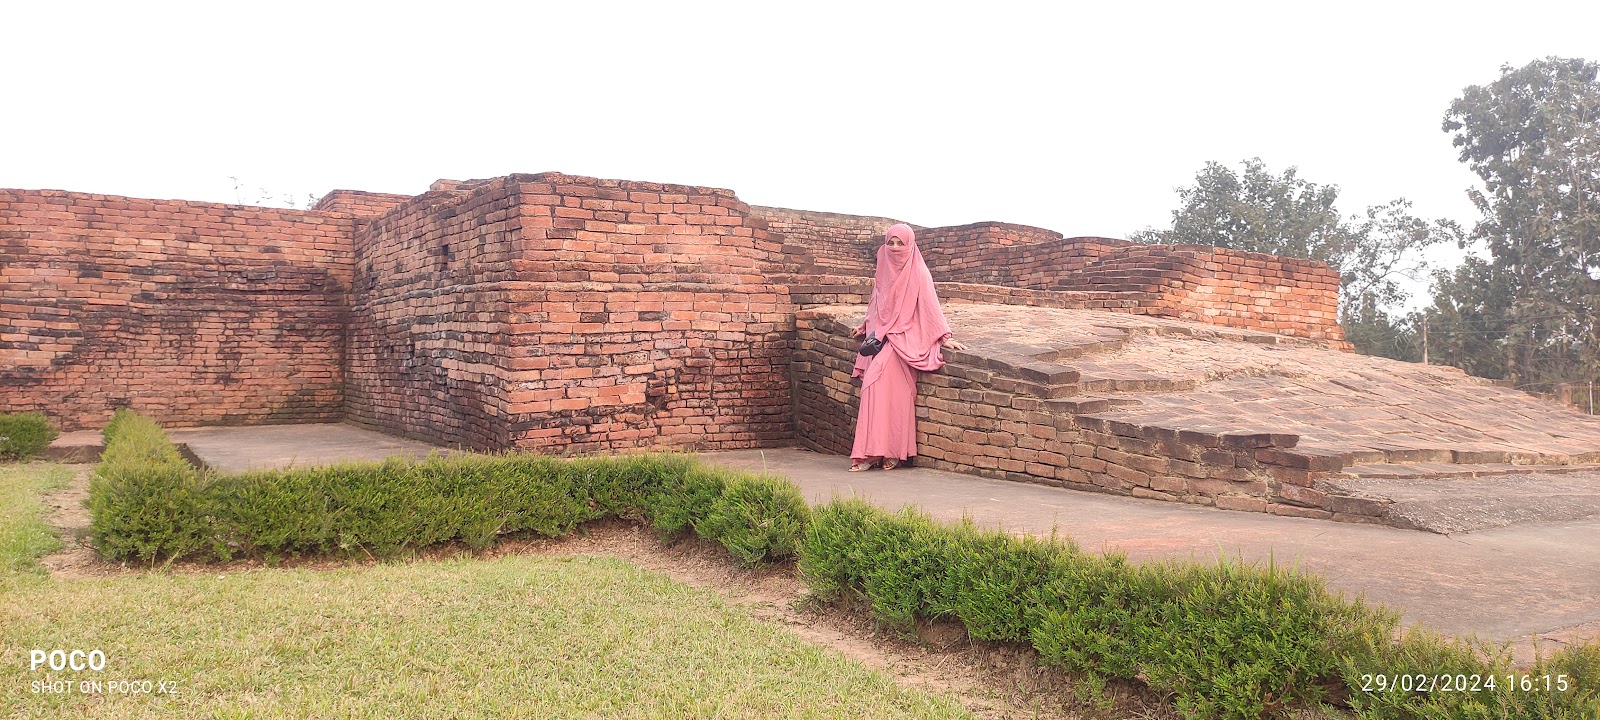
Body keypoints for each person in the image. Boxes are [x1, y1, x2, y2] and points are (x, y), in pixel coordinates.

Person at [848, 223, 966, 471]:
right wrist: (865, 326)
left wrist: (944, 337)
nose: (894, 247)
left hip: (905, 337)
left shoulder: (918, 273)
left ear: (910, 245)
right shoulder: (884, 268)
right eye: (890, 242)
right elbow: (878, 302)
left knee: (889, 391)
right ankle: (872, 453)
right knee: (875, 390)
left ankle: (892, 451)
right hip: (882, 336)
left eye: (900, 243)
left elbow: (929, 306)